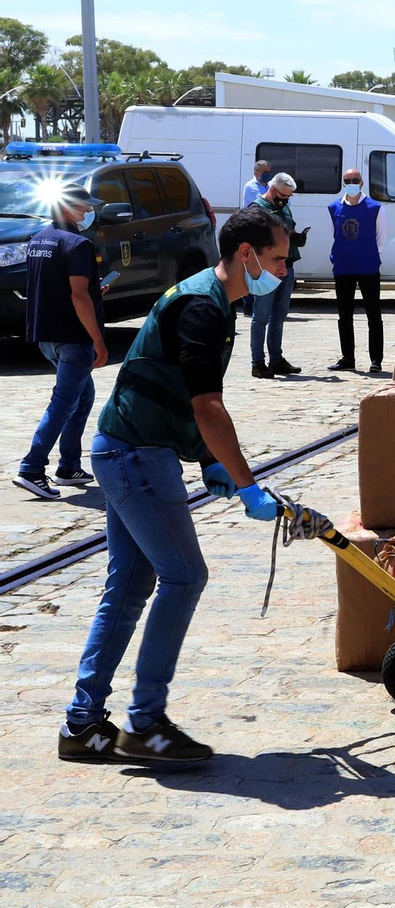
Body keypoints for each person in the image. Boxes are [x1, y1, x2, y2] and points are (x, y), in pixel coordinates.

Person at [60, 206, 292, 765]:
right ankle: (145, 722)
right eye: (279, 258)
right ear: (247, 254)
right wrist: (245, 482)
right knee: (185, 577)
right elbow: (207, 405)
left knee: (132, 583)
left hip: (131, 448)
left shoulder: (216, 302)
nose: (285, 270)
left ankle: (83, 724)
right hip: (136, 455)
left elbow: (177, 390)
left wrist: (205, 461)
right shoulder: (202, 309)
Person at [15, 188, 109, 500]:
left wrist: (96, 292)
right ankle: (32, 467)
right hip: (73, 336)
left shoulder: (39, 239)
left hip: (46, 333)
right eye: (84, 206)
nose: (88, 211)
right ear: (69, 208)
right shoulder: (79, 244)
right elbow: (78, 295)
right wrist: (98, 340)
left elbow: (58, 285)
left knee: (83, 397)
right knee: (64, 402)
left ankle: (69, 465)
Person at [248, 172, 306, 379]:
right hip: (267, 270)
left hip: (286, 266)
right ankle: (258, 362)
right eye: (283, 195)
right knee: (261, 317)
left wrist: (295, 238)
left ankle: (276, 360)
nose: (286, 199)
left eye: (289, 197)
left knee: (279, 317)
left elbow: (286, 230)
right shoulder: (257, 209)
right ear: (272, 190)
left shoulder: (283, 206)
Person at [326, 167, 384, 373]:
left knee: (373, 314)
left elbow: (380, 239)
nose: (351, 183)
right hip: (343, 267)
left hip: (367, 267)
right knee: (344, 315)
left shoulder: (374, 207)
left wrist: (370, 257)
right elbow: (335, 235)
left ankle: (376, 359)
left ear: (362, 182)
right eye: (347, 180)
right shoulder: (334, 207)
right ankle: (347, 357)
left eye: (355, 179)